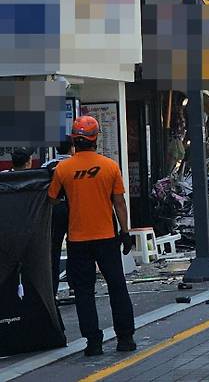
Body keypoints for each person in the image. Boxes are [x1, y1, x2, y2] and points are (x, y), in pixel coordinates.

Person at [48, 116, 136, 356]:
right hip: (107, 237)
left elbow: (53, 199)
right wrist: (125, 232)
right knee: (117, 286)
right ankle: (125, 338)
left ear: (74, 139)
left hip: (77, 240)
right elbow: (119, 202)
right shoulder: (110, 166)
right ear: (96, 138)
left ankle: (93, 342)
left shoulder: (63, 169)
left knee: (84, 291)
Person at [43, 138, 75, 298]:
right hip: (73, 209)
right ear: (72, 147)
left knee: (53, 249)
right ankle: (74, 286)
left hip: (53, 209)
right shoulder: (75, 164)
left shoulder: (47, 166)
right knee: (74, 246)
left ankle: (52, 290)